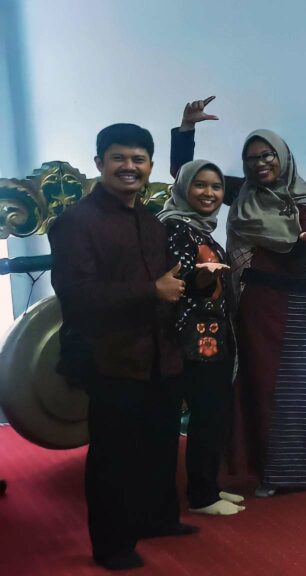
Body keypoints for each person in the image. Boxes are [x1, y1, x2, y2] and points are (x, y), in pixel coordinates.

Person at [51, 124, 194, 570]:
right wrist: (151, 291)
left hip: (160, 354)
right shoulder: (76, 222)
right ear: (99, 163)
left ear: (149, 166)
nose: (129, 167)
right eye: (119, 158)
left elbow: (167, 285)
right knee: (114, 456)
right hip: (111, 357)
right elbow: (76, 295)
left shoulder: (150, 222)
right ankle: (112, 545)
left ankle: (156, 519)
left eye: (138, 159)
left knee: (160, 444)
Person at [173, 103, 306, 497]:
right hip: (246, 302)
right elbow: (185, 176)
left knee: (291, 386)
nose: (260, 164)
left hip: (288, 306)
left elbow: (299, 265)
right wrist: (186, 128)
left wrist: (304, 246)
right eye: (252, 158)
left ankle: (294, 471)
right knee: (253, 383)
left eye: (267, 155)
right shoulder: (242, 192)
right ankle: (259, 468)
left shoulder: (305, 203)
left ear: (283, 157)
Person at [159, 159, 245, 516]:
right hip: (188, 341)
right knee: (205, 414)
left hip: (211, 337)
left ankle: (207, 485)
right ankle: (201, 496)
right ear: (183, 188)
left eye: (216, 186)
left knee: (213, 414)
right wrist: (204, 280)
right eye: (200, 185)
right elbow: (176, 284)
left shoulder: (200, 229)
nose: (209, 193)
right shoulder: (174, 227)